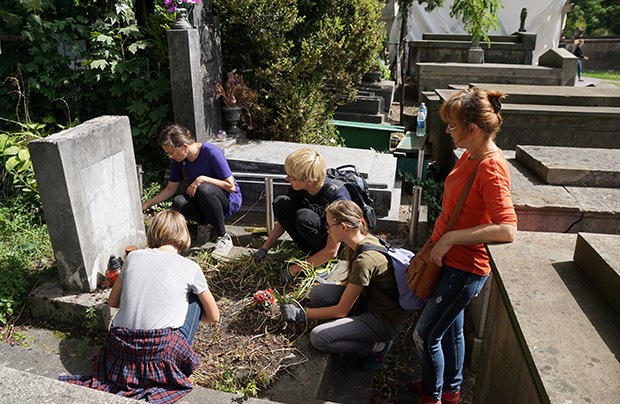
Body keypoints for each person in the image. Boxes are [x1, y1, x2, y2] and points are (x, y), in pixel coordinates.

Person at [413, 87, 517, 404]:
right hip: (450, 261)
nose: (447, 130)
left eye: (452, 125)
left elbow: (507, 229)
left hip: (464, 268)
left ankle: (432, 398)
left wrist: (451, 237)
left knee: (425, 335)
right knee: (451, 332)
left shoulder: (490, 166)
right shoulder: (470, 155)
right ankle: (451, 392)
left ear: (472, 129)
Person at [59, 210, 220, 402]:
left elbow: (113, 302)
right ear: (184, 235)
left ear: (154, 232)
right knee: (194, 298)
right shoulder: (190, 267)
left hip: (120, 350)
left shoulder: (133, 257)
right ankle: (175, 362)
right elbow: (214, 316)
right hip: (160, 353)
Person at [280, 200, 407, 371]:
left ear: (343, 227)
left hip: (384, 321)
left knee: (319, 337)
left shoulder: (365, 260)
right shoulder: (362, 241)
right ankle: (352, 326)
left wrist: (302, 314)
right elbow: (353, 284)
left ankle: (378, 347)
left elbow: (341, 310)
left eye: (329, 225)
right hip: (370, 302)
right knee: (318, 294)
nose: (327, 229)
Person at [142, 124, 242, 260]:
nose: (170, 156)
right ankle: (206, 224)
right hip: (202, 200)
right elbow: (171, 188)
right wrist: (147, 204)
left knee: (204, 189)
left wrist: (202, 179)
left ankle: (223, 236)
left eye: (171, 152)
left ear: (184, 146)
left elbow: (231, 186)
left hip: (226, 199)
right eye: (167, 153)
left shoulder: (211, 153)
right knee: (178, 202)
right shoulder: (179, 160)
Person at [253, 148, 351, 284]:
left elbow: (332, 250)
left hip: (332, 244)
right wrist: (264, 248)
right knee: (281, 203)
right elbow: (284, 220)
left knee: (303, 216)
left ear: (309, 181)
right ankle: (308, 251)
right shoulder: (298, 187)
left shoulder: (338, 197)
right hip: (311, 230)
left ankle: (322, 260)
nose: (287, 179)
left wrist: (294, 270)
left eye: (291, 177)